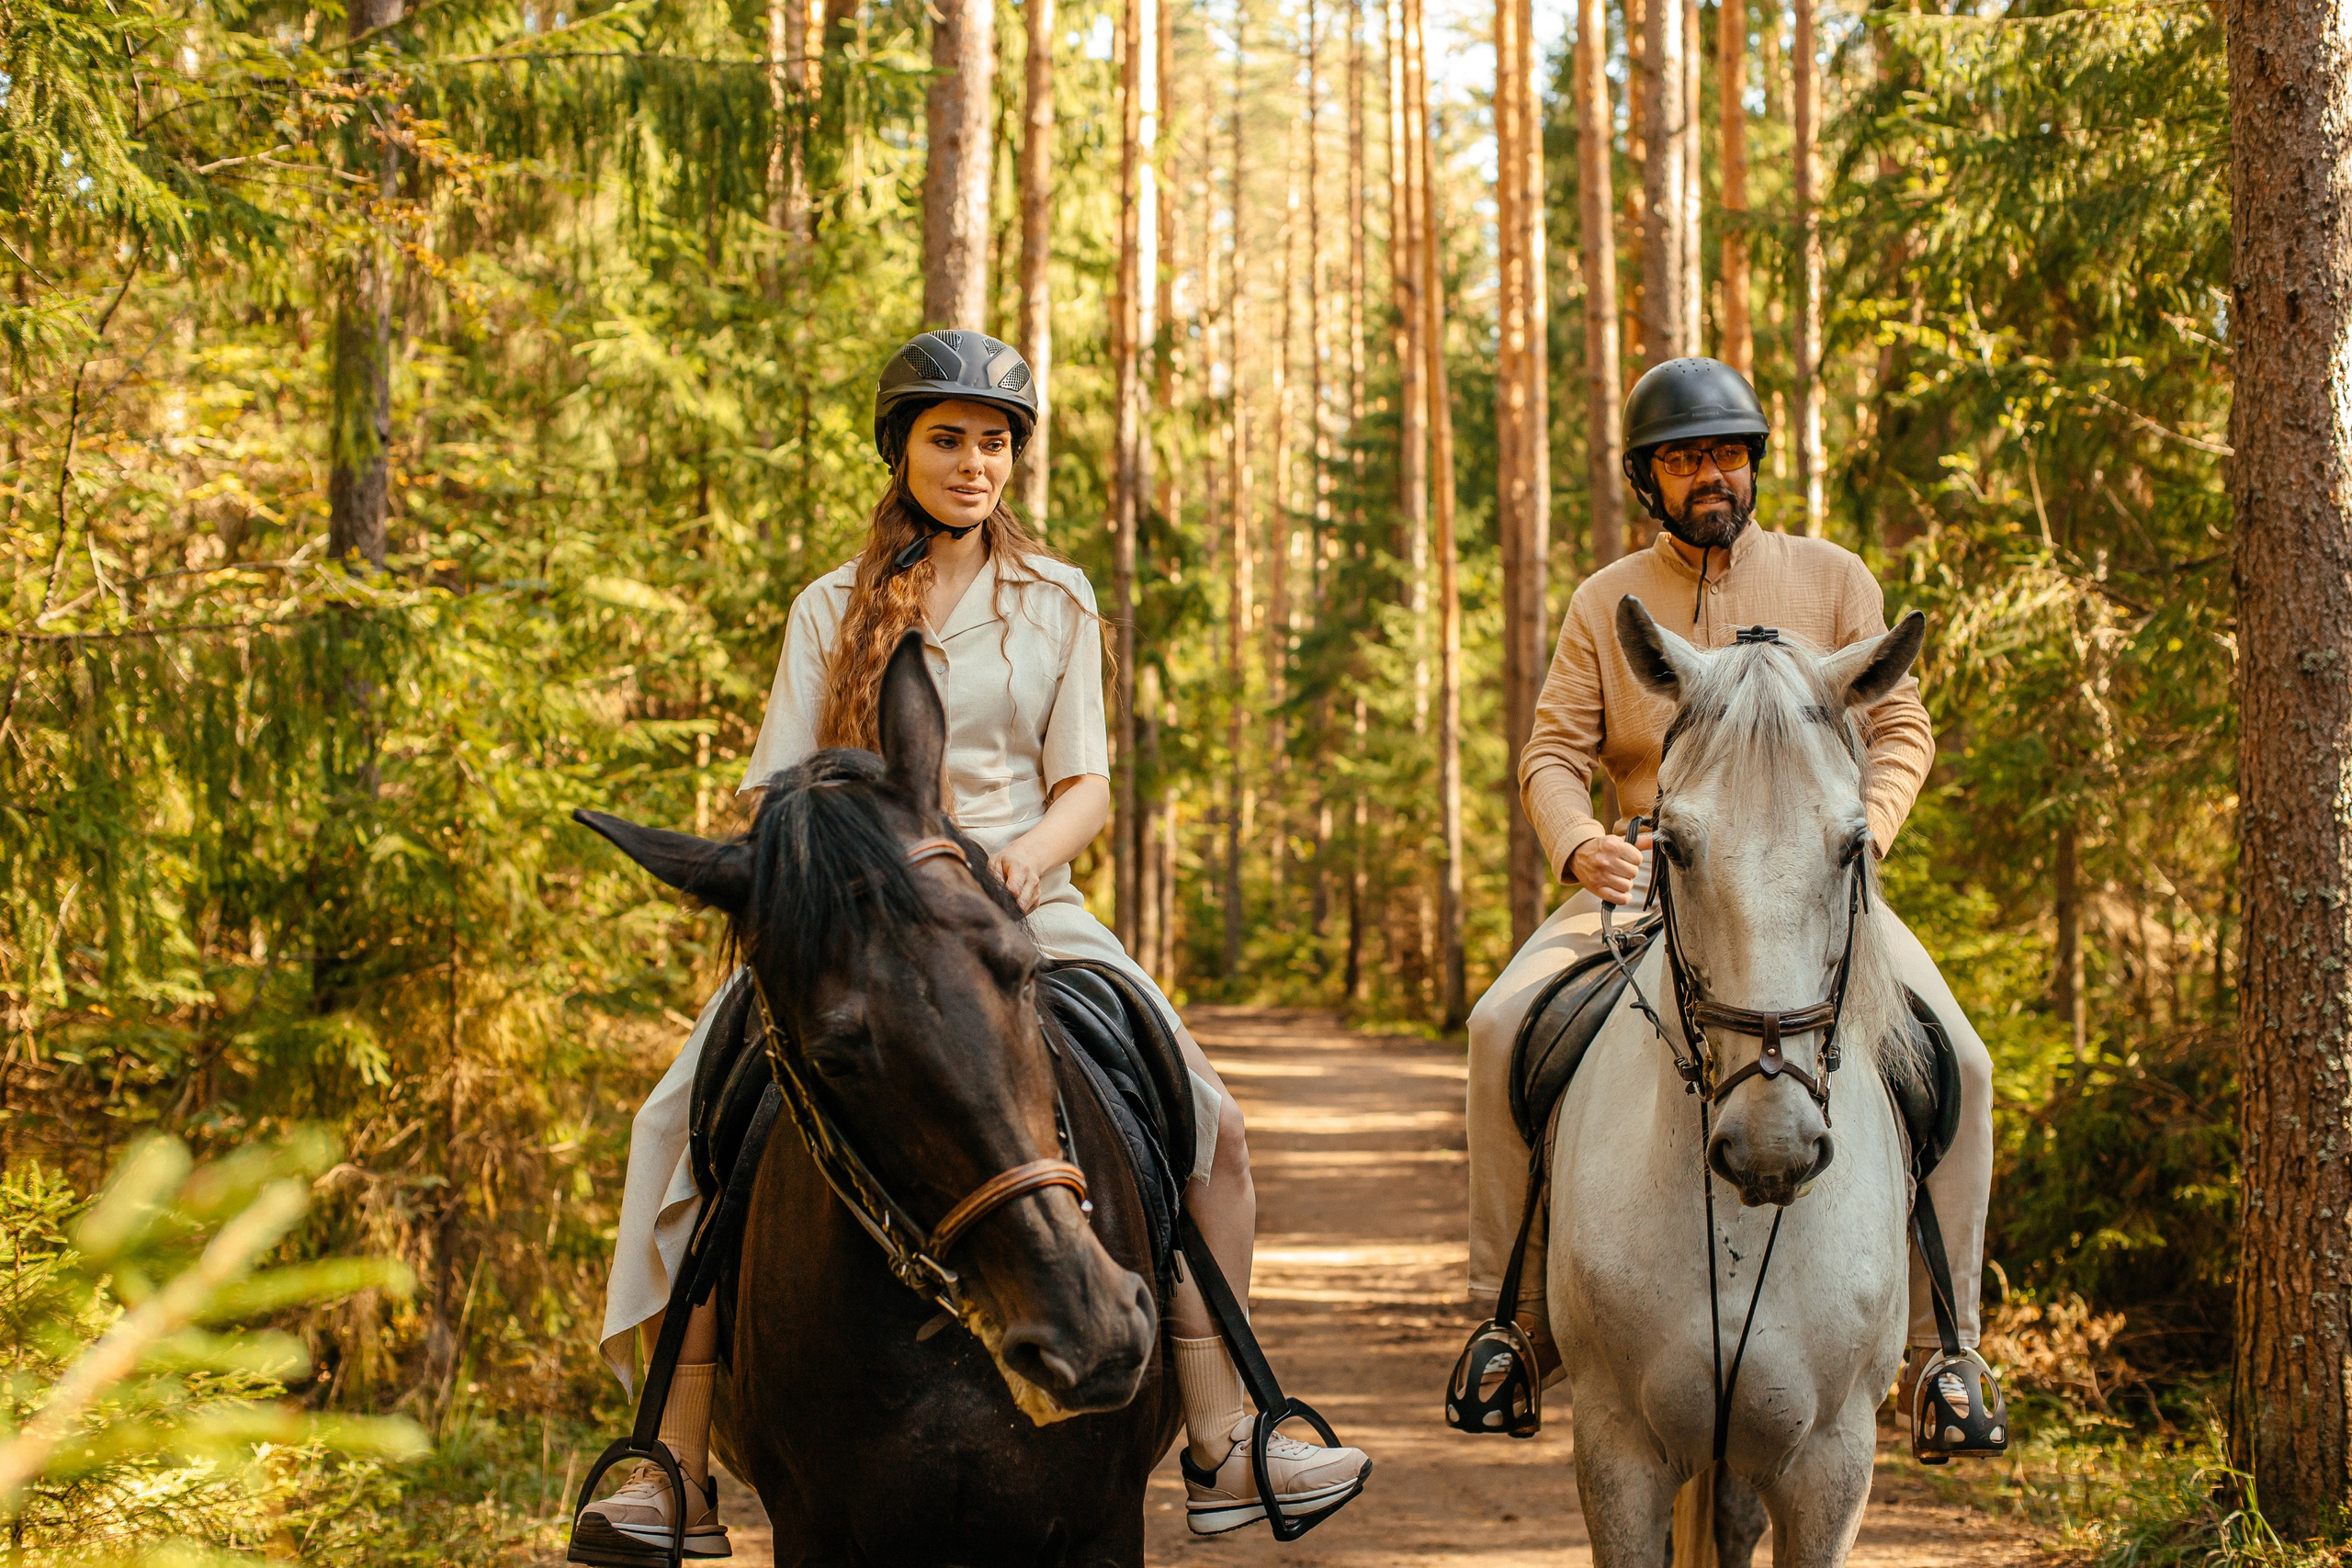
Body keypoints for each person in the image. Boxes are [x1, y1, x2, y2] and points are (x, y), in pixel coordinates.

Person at [573, 330, 1368, 1559]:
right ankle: (669, 1460)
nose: (975, 462)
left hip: (1020, 894)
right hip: (855, 918)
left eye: (996, 441)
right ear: (902, 448)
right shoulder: (828, 607)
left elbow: (1086, 785)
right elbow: (781, 790)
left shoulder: (1057, 599)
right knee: (673, 1118)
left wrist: (1028, 858)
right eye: (950, 438)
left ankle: (1225, 1426)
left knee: (1210, 1112)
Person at [1461, 356, 2007, 1462]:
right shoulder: (1602, 600)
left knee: (1965, 1059)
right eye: (1682, 458)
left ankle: (1945, 1351)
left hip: (1816, 893)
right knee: (1496, 1027)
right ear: (1646, 478)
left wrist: (1862, 838)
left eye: (1725, 453)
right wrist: (1579, 848)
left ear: (1752, 464)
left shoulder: (1833, 578)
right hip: (1647, 884)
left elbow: (1900, 729)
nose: (1709, 475)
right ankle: (1507, 1323)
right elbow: (1553, 753)